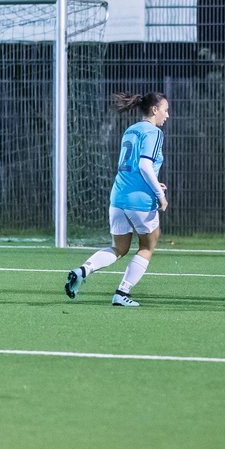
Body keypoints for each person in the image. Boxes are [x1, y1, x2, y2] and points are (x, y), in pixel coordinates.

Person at [64, 91, 170, 307]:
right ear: (154, 110)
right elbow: (144, 165)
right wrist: (160, 195)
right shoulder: (154, 132)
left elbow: (133, 166)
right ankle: (122, 292)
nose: (167, 115)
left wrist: (153, 183)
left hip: (118, 196)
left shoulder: (130, 130)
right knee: (147, 246)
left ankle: (83, 270)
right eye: (165, 110)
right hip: (140, 201)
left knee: (119, 248)